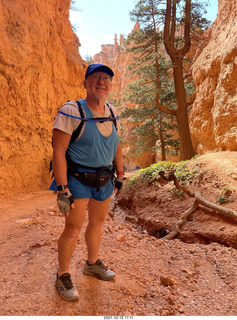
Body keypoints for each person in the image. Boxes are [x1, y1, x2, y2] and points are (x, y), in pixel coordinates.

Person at [50, 64, 124, 301]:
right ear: (85, 83)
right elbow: (58, 152)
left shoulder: (112, 111)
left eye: (106, 78)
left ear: (111, 85)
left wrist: (120, 174)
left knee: (97, 223)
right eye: (95, 78)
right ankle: (63, 275)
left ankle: (92, 264)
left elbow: (117, 145)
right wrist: (62, 189)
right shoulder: (71, 111)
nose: (101, 82)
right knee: (72, 229)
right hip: (77, 179)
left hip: (104, 179)